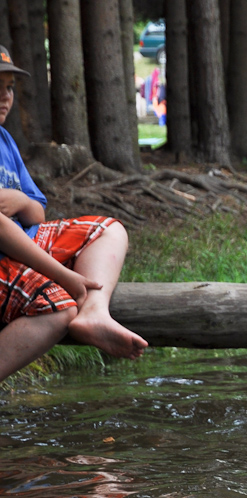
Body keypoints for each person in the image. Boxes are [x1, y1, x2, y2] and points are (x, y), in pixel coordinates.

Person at [0, 51, 147, 383]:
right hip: (4, 257)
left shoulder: (4, 139)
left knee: (107, 229)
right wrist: (65, 277)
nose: (5, 97)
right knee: (58, 308)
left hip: (25, 243)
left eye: (9, 87)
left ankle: (94, 312)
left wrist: (17, 198)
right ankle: (79, 307)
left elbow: (36, 211)